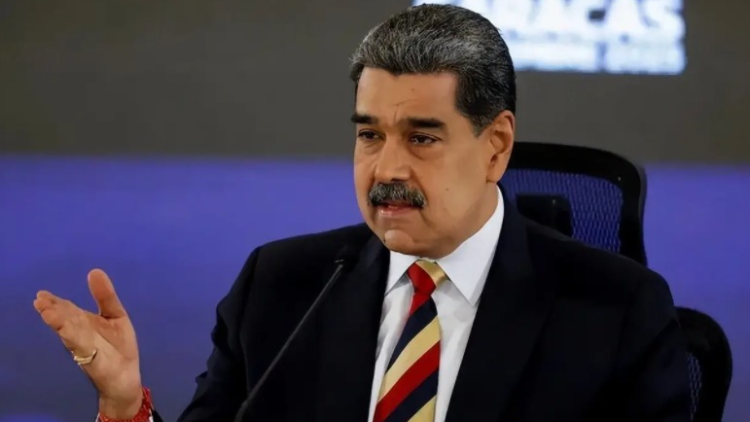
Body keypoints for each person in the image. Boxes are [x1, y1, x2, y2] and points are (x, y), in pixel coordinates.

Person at [33, 4, 691, 422]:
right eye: (370, 134)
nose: (387, 169)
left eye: (422, 138)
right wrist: (126, 407)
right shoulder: (282, 288)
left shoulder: (614, 312)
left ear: (495, 147)